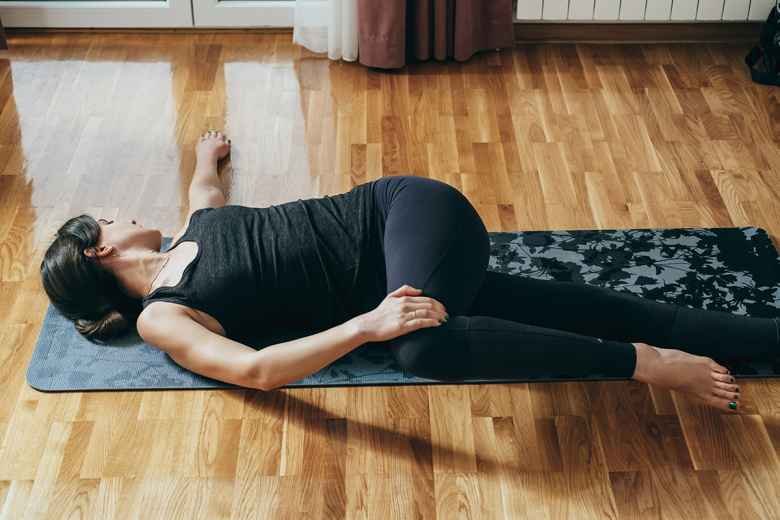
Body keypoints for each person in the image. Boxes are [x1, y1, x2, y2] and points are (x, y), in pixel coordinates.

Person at [41, 130, 780, 412]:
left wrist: (208, 157)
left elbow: (206, 194)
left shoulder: (194, 228)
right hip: (400, 283)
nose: (121, 214)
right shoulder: (161, 316)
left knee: (422, 349)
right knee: (553, 311)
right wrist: (365, 325)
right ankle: (747, 338)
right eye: (107, 220)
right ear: (102, 251)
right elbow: (257, 371)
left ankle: (647, 364)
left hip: (406, 214)